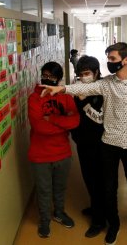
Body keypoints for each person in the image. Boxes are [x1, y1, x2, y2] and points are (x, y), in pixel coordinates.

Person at [41, 42, 127, 245]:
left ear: (125, 60)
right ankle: (111, 222)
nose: (110, 62)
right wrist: (60, 88)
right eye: (108, 59)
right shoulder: (106, 84)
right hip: (106, 142)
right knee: (105, 187)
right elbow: (79, 90)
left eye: (112, 59)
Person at [27, 61, 80, 238]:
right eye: (45, 74)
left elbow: (75, 121)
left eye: (52, 76)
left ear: (58, 79)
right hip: (40, 154)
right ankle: (44, 220)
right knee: (43, 190)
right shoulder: (34, 98)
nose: (48, 79)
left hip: (63, 153)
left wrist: (52, 119)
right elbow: (39, 126)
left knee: (60, 187)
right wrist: (63, 124)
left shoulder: (65, 97)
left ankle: (59, 213)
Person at [70, 55, 106, 238]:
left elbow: (99, 118)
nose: (84, 77)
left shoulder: (103, 90)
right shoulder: (79, 90)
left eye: (87, 73)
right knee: (89, 179)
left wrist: (83, 100)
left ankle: (99, 221)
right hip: (83, 143)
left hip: (100, 145)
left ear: (97, 73)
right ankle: (95, 207)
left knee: (98, 182)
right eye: (80, 74)